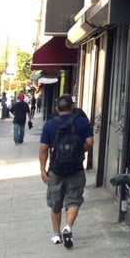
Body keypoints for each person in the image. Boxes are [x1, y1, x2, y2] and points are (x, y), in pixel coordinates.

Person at [39, 94, 94, 248]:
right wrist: (78, 152)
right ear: (72, 107)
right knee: (74, 199)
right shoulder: (82, 122)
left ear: (57, 108)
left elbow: (43, 148)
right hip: (76, 168)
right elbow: (90, 142)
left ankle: (56, 235)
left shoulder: (50, 125)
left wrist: (43, 170)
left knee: (55, 203)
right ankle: (68, 227)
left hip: (56, 170)